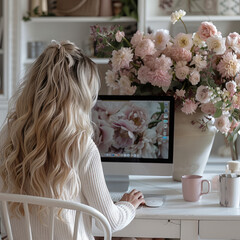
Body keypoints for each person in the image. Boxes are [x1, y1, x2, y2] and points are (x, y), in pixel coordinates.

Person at [0, 40, 145, 240]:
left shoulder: (9, 134)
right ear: (80, 96)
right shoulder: (81, 145)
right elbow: (111, 221)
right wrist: (128, 205)